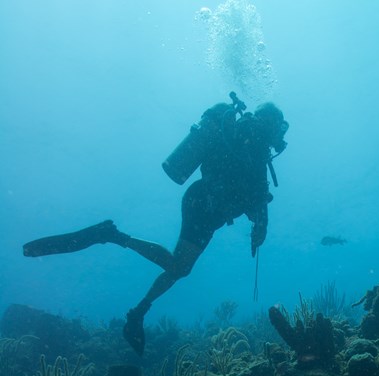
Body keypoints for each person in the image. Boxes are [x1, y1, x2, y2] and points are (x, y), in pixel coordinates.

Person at [23, 97, 289, 355]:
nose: (280, 134)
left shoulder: (253, 144)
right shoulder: (252, 138)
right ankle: (113, 237)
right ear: (269, 121)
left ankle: (139, 309)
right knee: (178, 267)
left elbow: (254, 195)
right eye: (279, 126)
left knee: (179, 268)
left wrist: (259, 225)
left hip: (209, 209)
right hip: (204, 206)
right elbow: (252, 192)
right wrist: (260, 225)